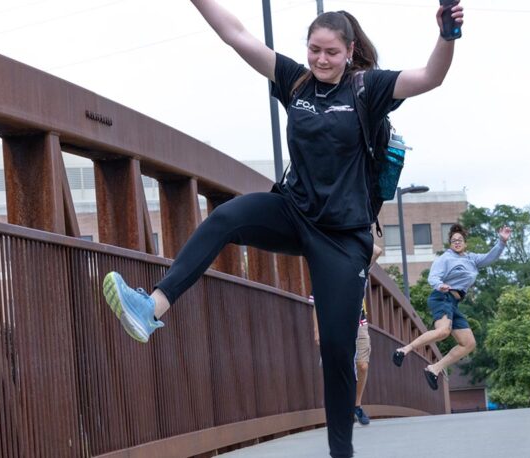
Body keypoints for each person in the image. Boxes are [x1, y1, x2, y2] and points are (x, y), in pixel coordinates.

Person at [101, 1, 464, 456]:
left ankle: (341, 451)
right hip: (293, 213)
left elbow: (431, 75)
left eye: (331, 52)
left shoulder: (368, 88)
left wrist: (447, 36)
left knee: (337, 348)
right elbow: (237, 35)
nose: (321, 59)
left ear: (350, 51)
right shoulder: (295, 80)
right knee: (226, 218)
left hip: (343, 239)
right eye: (314, 49)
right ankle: (151, 306)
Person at [392, 223, 512, 391]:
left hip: (453, 303)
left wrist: (502, 241)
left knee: (468, 343)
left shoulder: (472, 259)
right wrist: (439, 285)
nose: (457, 242)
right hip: (441, 297)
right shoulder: (446, 258)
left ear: (465, 243)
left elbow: (490, 258)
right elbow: (433, 276)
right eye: (453, 240)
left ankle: (434, 368)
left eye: (460, 240)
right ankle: (404, 350)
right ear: (450, 243)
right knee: (443, 331)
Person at [312, 244, 382, 426]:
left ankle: (356, 405)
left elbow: (377, 250)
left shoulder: (360, 267)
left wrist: (352, 231)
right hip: (335, 324)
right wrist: (317, 330)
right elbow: (317, 304)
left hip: (359, 323)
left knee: (363, 366)